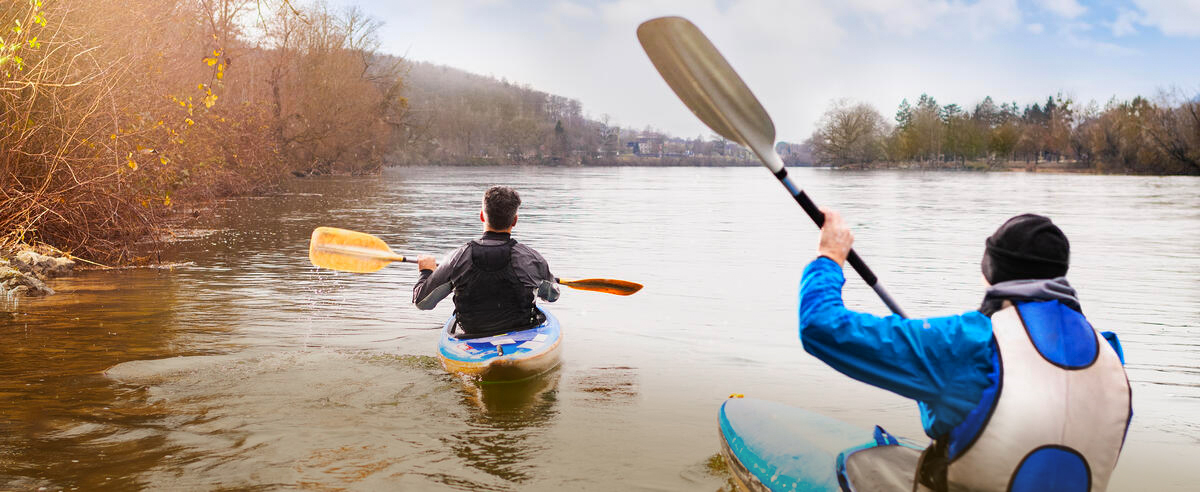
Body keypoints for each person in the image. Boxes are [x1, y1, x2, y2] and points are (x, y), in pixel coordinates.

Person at [800, 209, 1131, 491]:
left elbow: (820, 324)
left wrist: (830, 257)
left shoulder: (969, 342)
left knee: (860, 465)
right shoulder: (1112, 356)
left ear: (992, 273)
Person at [412, 185, 559, 337]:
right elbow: (552, 295)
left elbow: (422, 302)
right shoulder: (531, 259)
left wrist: (426, 272)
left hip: (472, 336)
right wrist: (537, 284)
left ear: (482, 216)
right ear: (515, 221)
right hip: (521, 335)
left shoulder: (457, 257)